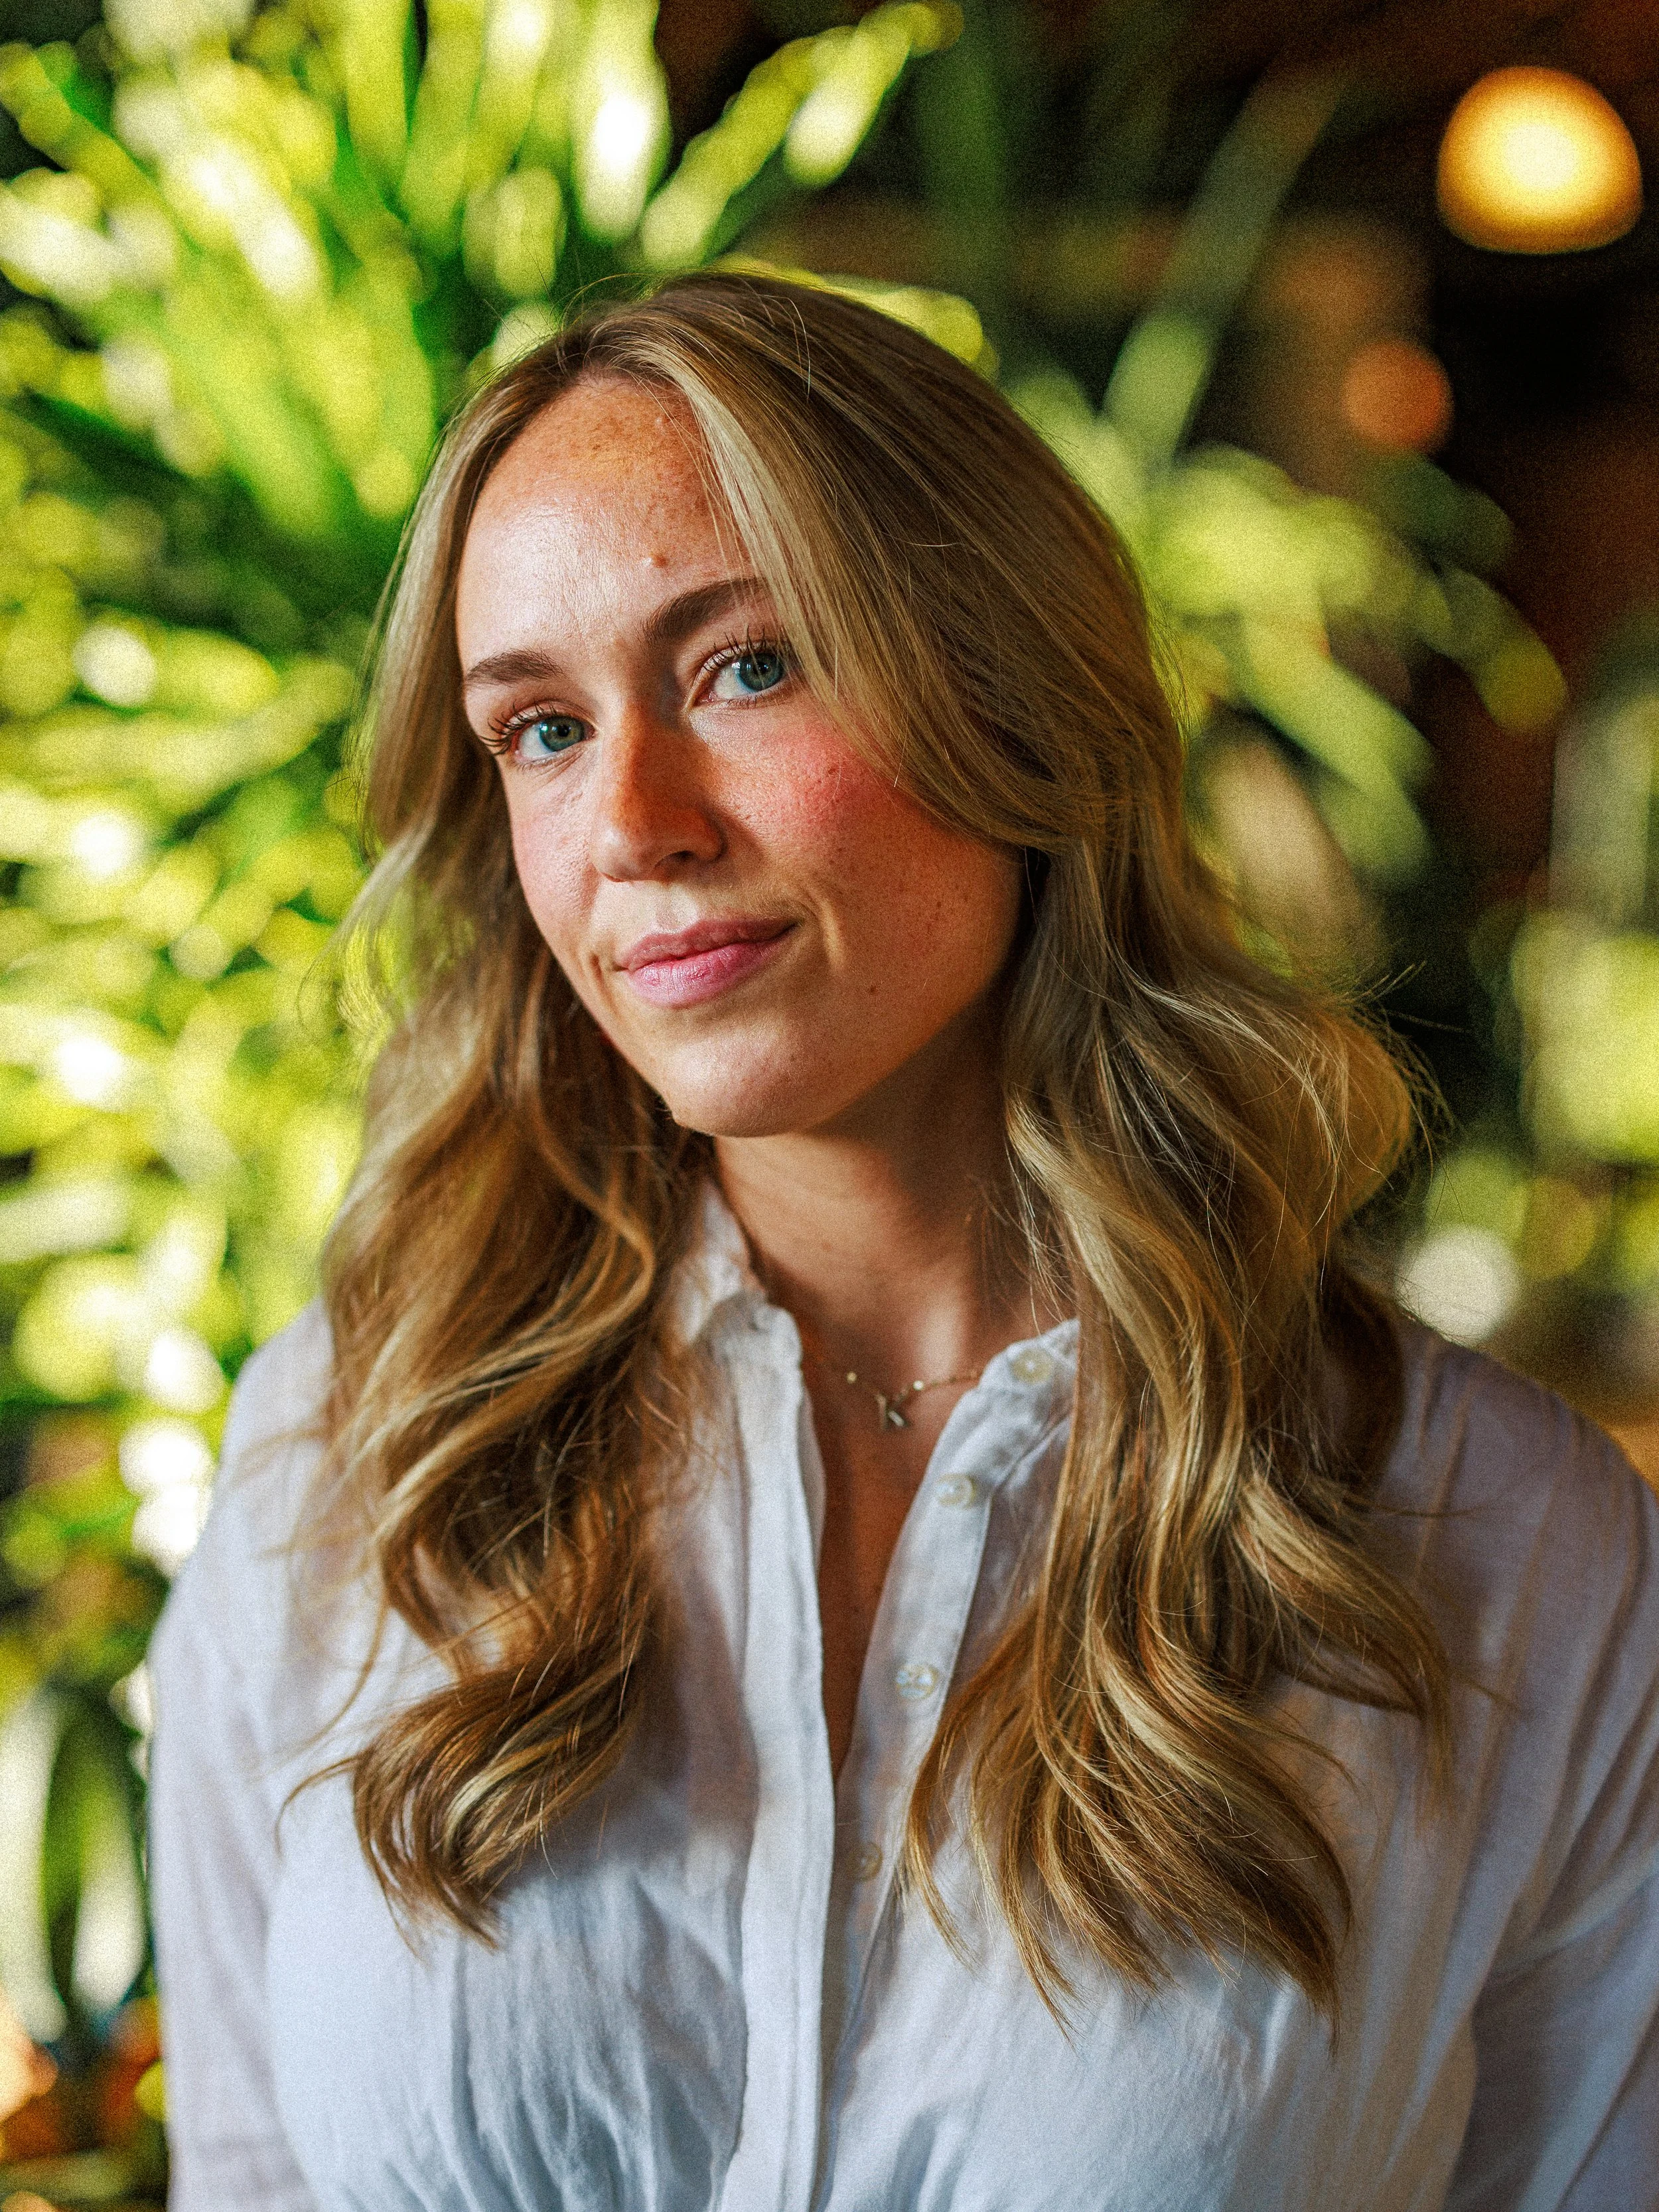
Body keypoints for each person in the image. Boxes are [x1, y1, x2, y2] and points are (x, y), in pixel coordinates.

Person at [149, 273, 1659, 2211]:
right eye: (539, 727)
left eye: (748, 667)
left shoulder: (1505, 1548)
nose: (632, 822)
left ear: (1010, 694)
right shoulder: (351, 1455)